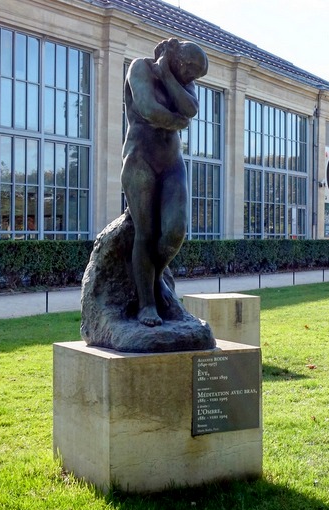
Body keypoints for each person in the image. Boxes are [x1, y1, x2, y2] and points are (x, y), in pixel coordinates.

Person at [121, 38, 208, 327]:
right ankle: (147, 304)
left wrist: (167, 75)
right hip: (140, 159)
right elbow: (149, 109)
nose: (191, 78)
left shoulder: (181, 81)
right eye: (190, 71)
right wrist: (177, 121)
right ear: (179, 59)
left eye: (194, 76)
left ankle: (156, 278)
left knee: (175, 230)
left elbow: (191, 109)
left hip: (172, 164)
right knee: (145, 233)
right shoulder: (139, 68)